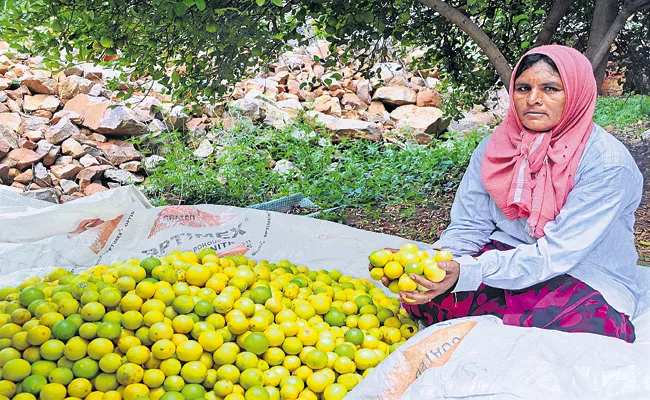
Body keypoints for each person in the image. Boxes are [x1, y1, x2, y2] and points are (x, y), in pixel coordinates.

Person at [393, 45, 642, 343]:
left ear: (576, 94)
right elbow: (469, 226)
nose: (533, 99)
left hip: (580, 271)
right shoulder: (494, 147)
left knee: (577, 320)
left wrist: (467, 272)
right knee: (423, 296)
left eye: (550, 88)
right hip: (505, 257)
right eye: (523, 88)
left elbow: (556, 255)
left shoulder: (607, 163)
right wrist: (433, 266)